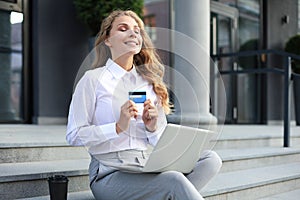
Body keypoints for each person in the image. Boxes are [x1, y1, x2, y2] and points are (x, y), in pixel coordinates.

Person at [66, 10, 222, 200]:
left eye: (137, 30)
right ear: (107, 39)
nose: (133, 33)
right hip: (110, 175)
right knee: (173, 181)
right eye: (123, 29)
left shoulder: (148, 83)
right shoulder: (92, 79)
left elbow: (159, 141)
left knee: (211, 160)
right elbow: (74, 135)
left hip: (146, 166)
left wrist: (153, 128)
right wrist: (116, 127)